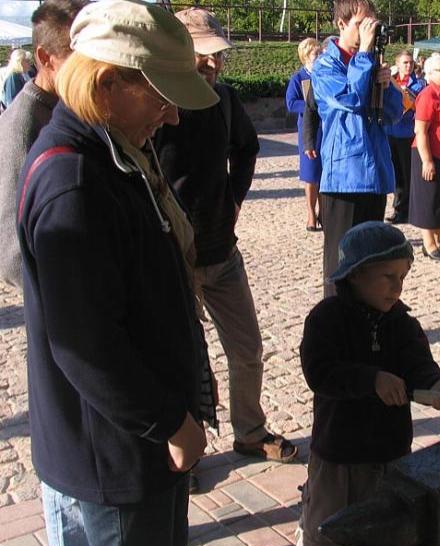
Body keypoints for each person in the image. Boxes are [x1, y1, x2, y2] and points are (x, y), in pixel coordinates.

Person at [16, 1, 220, 546]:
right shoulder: (75, 179)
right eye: (161, 97)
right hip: (119, 451)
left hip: (130, 442)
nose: (172, 116)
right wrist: (169, 423)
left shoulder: (109, 153)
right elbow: (87, 345)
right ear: (108, 84)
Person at [155, 7, 297, 483]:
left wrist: (234, 197)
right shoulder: (159, 103)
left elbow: (247, 148)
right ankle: (186, 453)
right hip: (174, 257)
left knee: (247, 348)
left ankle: (250, 432)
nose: (213, 64)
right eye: (204, 55)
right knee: (183, 358)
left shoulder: (225, 99)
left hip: (222, 249)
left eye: (218, 56)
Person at [284, 221, 440, 546]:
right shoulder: (326, 319)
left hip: (387, 457)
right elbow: (320, 372)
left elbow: (419, 365)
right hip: (336, 458)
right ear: (356, 274)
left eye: (403, 277)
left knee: (375, 543)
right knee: (319, 539)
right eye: (388, 277)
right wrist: (372, 380)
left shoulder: (403, 325)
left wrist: (436, 384)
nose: (398, 287)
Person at [0, 5, 91, 546]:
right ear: (46, 60)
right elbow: (10, 248)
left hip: (82, 301)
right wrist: (64, 284)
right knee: (61, 432)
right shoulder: (22, 123)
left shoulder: (73, 108)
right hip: (55, 306)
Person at [312, 0, 403, 297]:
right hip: (344, 179)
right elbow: (351, 99)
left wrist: (386, 86)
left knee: (371, 263)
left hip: (374, 177)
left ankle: (367, 315)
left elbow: (393, 114)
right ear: (341, 24)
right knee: (341, 265)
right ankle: (334, 319)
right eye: (361, 25)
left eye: (371, 25)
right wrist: (364, 54)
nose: (368, 31)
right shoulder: (326, 65)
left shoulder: (370, 62)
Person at [409, 52, 440, 261]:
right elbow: (421, 131)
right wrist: (427, 160)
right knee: (428, 200)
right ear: (430, 73)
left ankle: (437, 240)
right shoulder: (428, 95)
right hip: (428, 154)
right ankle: (428, 244)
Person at [286, 37, 323, 232]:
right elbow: (291, 103)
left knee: (324, 172)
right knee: (311, 174)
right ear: (306, 56)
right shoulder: (299, 78)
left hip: (325, 128)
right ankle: (311, 213)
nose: (319, 56)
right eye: (316, 53)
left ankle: (324, 212)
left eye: (320, 52)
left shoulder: (325, 76)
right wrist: (311, 107)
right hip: (309, 130)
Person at [385, 50, 425, 225]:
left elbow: (419, 104)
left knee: (406, 172)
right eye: (405, 63)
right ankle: (399, 206)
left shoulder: (419, 84)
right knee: (395, 172)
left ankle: (403, 209)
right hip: (390, 131)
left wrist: (407, 94)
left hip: (407, 133)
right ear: (398, 64)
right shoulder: (390, 81)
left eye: (410, 63)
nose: (408, 66)